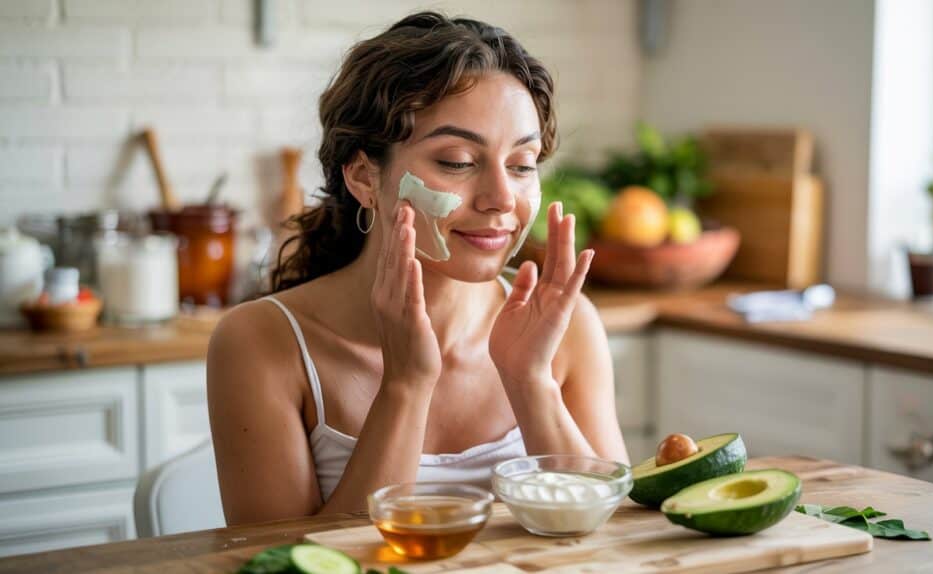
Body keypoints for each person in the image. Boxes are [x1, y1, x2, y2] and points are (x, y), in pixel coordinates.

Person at [207, 11, 627, 526]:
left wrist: (531, 379)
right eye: (456, 161)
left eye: (522, 164)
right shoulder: (259, 342)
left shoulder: (567, 325)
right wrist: (406, 386)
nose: (501, 199)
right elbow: (282, 563)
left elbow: (615, 541)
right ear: (364, 176)